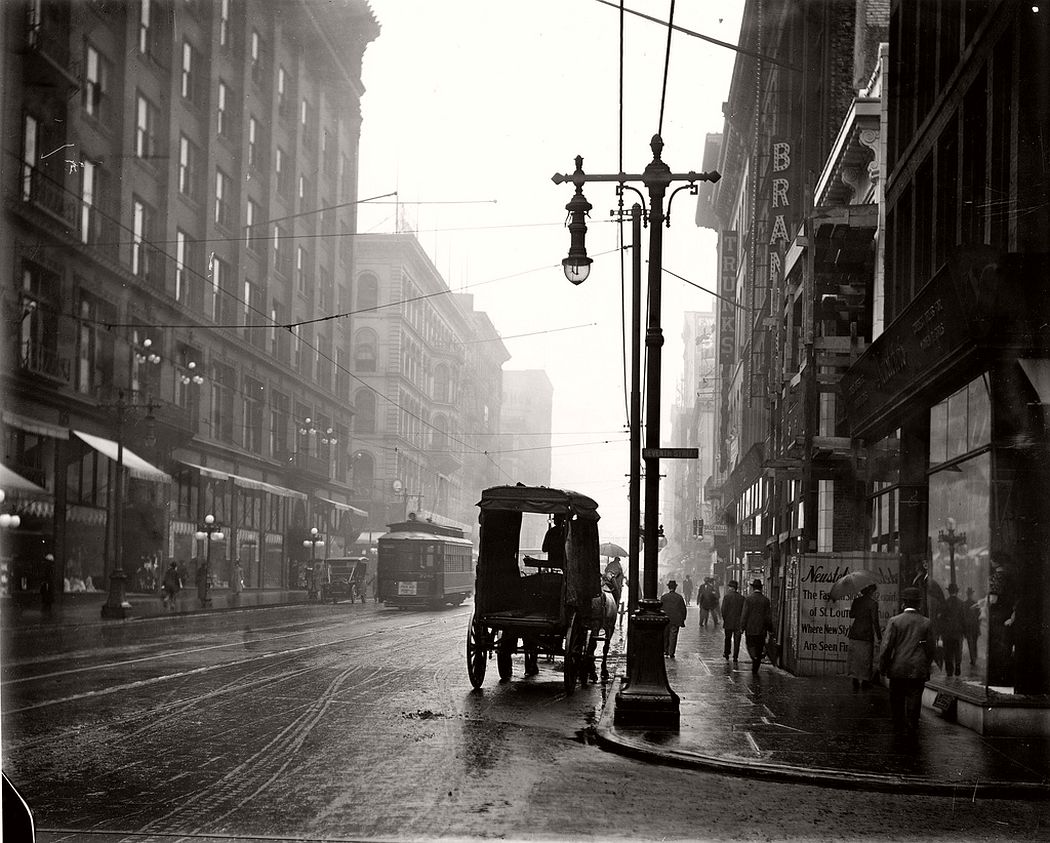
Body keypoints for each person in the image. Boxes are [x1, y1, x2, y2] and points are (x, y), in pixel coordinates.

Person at [879, 586, 936, 738]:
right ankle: (912, 727)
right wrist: (926, 663)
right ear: (919, 604)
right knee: (915, 699)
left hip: (897, 668)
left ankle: (898, 727)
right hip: (918, 669)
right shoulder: (926, 622)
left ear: (903, 603)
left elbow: (886, 647)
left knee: (896, 699)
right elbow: (931, 648)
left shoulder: (895, 621)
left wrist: (883, 667)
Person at [846, 582, 882, 689]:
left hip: (855, 631)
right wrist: (879, 636)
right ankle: (865, 680)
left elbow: (851, 615)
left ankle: (855, 679)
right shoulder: (873, 603)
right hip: (866, 633)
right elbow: (875, 621)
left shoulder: (857, 601)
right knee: (866, 657)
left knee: (855, 657)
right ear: (870, 591)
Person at [740, 579, 774, 675]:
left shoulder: (748, 599)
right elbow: (768, 616)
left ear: (753, 588)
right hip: (761, 629)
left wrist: (742, 627)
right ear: (761, 588)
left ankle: (753, 657)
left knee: (750, 645)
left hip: (750, 628)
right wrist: (770, 628)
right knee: (759, 647)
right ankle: (756, 665)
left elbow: (744, 614)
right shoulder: (766, 600)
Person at [937, 582, 966, 677]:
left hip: (947, 632)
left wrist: (940, 632)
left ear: (949, 592)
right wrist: (964, 632)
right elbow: (963, 618)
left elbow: (941, 619)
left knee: (948, 651)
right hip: (958, 632)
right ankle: (957, 666)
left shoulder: (945, 603)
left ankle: (949, 670)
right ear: (956, 592)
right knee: (958, 650)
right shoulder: (961, 603)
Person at [659, 580, 687, 658]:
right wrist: (683, 619)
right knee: (673, 636)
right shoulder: (679, 597)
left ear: (668, 587)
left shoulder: (664, 597)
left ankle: (666, 650)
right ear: (675, 588)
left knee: (665, 635)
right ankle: (671, 652)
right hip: (675, 620)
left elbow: (660, 608)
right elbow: (683, 609)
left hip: (666, 619)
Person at [720, 579, 745, 662]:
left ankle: (727, 653)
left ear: (732, 588)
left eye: (729, 587)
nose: (728, 589)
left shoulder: (727, 597)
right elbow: (743, 611)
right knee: (737, 640)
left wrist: (725, 619)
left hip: (728, 622)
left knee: (728, 638)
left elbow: (723, 610)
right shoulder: (742, 598)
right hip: (738, 623)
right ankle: (735, 656)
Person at [962, 586, 981, 667]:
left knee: (970, 643)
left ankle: (973, 659)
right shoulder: (975, 603)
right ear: (972, 594)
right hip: (975, 626)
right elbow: (979, 616)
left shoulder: (964, 604)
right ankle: (974, 658)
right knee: (974, 643)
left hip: (968, 627)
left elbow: (963, 616)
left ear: (967, 594)